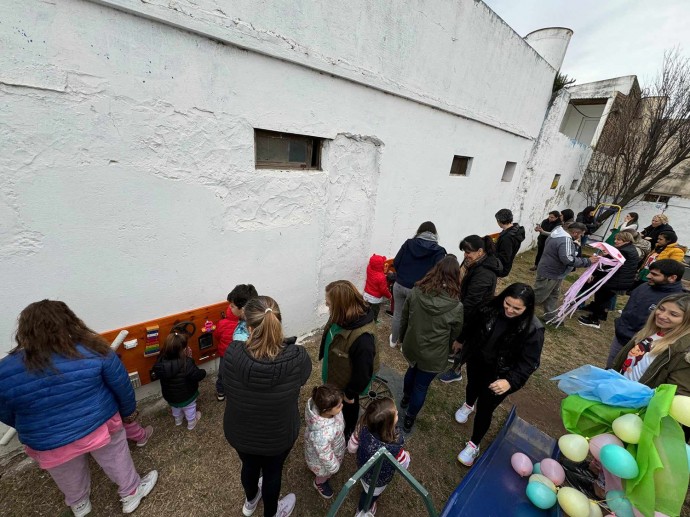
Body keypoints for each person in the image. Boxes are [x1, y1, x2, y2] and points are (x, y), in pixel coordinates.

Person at [0, 300, 158, 516]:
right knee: (115, 457)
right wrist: (128, 413)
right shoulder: (95, 350)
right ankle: (131, 492)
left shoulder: (4, 369)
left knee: (65, 471)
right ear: (69, 322)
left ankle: (79, 503)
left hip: (48, 439)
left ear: (24, 330)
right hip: (100, 424)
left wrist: (27, 427)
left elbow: (5, 410)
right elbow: (121, 385)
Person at [223, 296, 312, 517]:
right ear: (277, 323)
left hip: (241, 434)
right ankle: (271, 513)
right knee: (273, 473)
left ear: (249, 327)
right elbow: (302, 379)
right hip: (278, 437)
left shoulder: (232, 353)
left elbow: (226, 382)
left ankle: (251, 500)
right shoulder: (298, 357)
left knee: (249, 467)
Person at [454, 284, 544, 466]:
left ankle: (474, 444)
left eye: (517, 308)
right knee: (471, 386)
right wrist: (461, 340)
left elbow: (529, 363)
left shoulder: (533, 329)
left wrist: (510, 381)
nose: (509, 310)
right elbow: (472, 325)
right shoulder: (490, 308)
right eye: (507, 304)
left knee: (486, 408)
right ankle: (468, 404)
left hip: (500, 376)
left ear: (528, 308)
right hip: (478, 361)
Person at [399, 256, 464, 432]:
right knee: (421, 386)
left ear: (435, 271)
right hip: (435, 353)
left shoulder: (416, 291)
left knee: (411, 370)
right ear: (456, 276)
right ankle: (409, 418)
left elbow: (404, 317)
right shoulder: (456, 306)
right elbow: (455, 334)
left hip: (412, 344)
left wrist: (401, 337)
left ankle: (405, 398)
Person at [439, 236, 503, 383]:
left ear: (480, 251)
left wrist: (461, 336)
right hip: (470, 312)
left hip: (475, 317)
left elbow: (471, 305)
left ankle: (456, 371)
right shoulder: (477, 264)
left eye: (468, 252)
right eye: (464, 252)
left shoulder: (484, 273)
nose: (465, 255)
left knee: (465, 345)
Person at [319, 280, 378, 439]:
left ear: (340, 306)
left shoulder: (363, 340)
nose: (327, 306)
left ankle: (346, 431)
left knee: (347, 410)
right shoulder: (342, 316)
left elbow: (363, 373)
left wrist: (349, 395)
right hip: (336, 375)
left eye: (329, 304)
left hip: (347, 389)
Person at [605, 259, 686, 368]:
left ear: (672, 278)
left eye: (654, 274)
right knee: (611, 368)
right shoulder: (645, 286)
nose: (648, 276)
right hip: (621, 337)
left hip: (643, 346)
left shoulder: (676, 301)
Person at [611, 293, 690, 397]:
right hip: (618, 390)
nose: (661, 315)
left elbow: (678, 393)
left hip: (636, 405)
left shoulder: (683, 352)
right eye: (661, 309)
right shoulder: (649, 332)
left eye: (673, 314)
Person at [347, 398, 410, 517]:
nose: (397, 413)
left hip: (362, 471)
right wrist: (407, 456)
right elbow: (403, 465)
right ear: (389, 424)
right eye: (396, 413)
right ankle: (363, 509)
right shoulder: (395, 448)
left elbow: (351, 448)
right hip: (379, 481)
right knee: (369, 497)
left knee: (366, 488)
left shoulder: (361, 429)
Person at [390, 222, 447, 347]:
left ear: (419, 231)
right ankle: (405, 344)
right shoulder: (439, 251)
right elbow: (439, 274)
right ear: (435, 234)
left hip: (399, 285)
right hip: (419, 290)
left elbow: (396, 261)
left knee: (398, 314)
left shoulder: (408, 243)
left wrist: (402, 276)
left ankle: (394, 340)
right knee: (414, 318)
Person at [533, 222, 600, 320]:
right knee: (538, 296)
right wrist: (588, 261)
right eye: (581, 234)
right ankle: (521, 312)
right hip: (550, 273)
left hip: (554, 272)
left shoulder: (558, 233)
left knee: (553, 295)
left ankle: (550, 316)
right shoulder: (565, 240)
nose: (581, 237)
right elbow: (568, 259)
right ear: (575, 233)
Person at [577, 231, 639, 329]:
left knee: (601, 297)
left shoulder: (623, 251)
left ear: (626, 241)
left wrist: (595, 272)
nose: (615, 241)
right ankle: (600, 314)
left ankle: (594, 320)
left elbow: (607, 265)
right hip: (621, 280)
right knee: (605, 298)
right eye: (616, 239)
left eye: (618, 239)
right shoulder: (631, 249)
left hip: (615, 280)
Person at [151, 330, 206, 430]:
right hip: (187, 395)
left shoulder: (160, 362)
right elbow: (198, 375)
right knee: (190, 408)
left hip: (170, 396)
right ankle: (191, 422)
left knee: (175, 408)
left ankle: (178, 420)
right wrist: (191, 360)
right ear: (183, 350)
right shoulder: (187, 363)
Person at [303, 384, 346, 499]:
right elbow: (325, 455)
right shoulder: (321, 435)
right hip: (321, 462)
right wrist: (334, 467)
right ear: (327, 410)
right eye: (339, 405)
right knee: (323, 473)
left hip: (334, 446)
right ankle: (319, 482)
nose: (342, 406)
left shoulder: (329, 411)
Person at [215, 296, 241, 401]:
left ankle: (221, 393)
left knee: (222, 373)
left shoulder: (221, 323)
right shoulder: (242, 325)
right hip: (238, 354)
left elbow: (216, 336)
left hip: (224, 354)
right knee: (237, 373)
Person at [494, 208, 526, 278]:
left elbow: (504, 257)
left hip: (501, 267)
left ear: (499, 221)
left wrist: (490, 251)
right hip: (506, 265)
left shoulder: (507, 238)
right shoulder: (515, 229)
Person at [363, 254, 392, 322]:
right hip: (375, 299)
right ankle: (373, 322)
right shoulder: (381, 277)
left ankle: (365, 322)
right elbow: (383, 290)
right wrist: (390, 296)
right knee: (374, 312)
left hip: (366, 294)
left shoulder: (369, 268)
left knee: (366, 310)